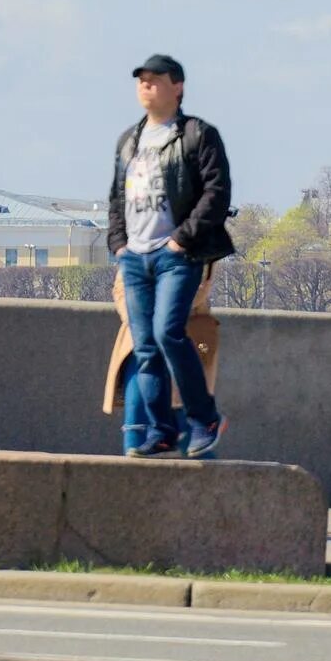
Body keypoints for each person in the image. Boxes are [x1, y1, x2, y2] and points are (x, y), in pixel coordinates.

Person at [106, 53, 234, 459]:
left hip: (176, 256)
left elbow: (217, 192)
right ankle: (161, 431)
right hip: (135, 257)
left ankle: (204, 419)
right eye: (141, 79)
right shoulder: (129, 140)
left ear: (177, 87)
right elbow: (115, 196)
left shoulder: (198, 134)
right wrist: (118, 244)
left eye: (155, 79)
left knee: (168, 333)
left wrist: (181, 240)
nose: (146, 85)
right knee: (145, 347)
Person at [104, 264, 220, 457]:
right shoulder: (137, 240)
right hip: (139, 341)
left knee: (187, 428)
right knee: (136, 423)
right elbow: (121, 287)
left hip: (183, 336)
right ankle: (134, 483)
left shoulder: (194, 236)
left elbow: (198, 288)